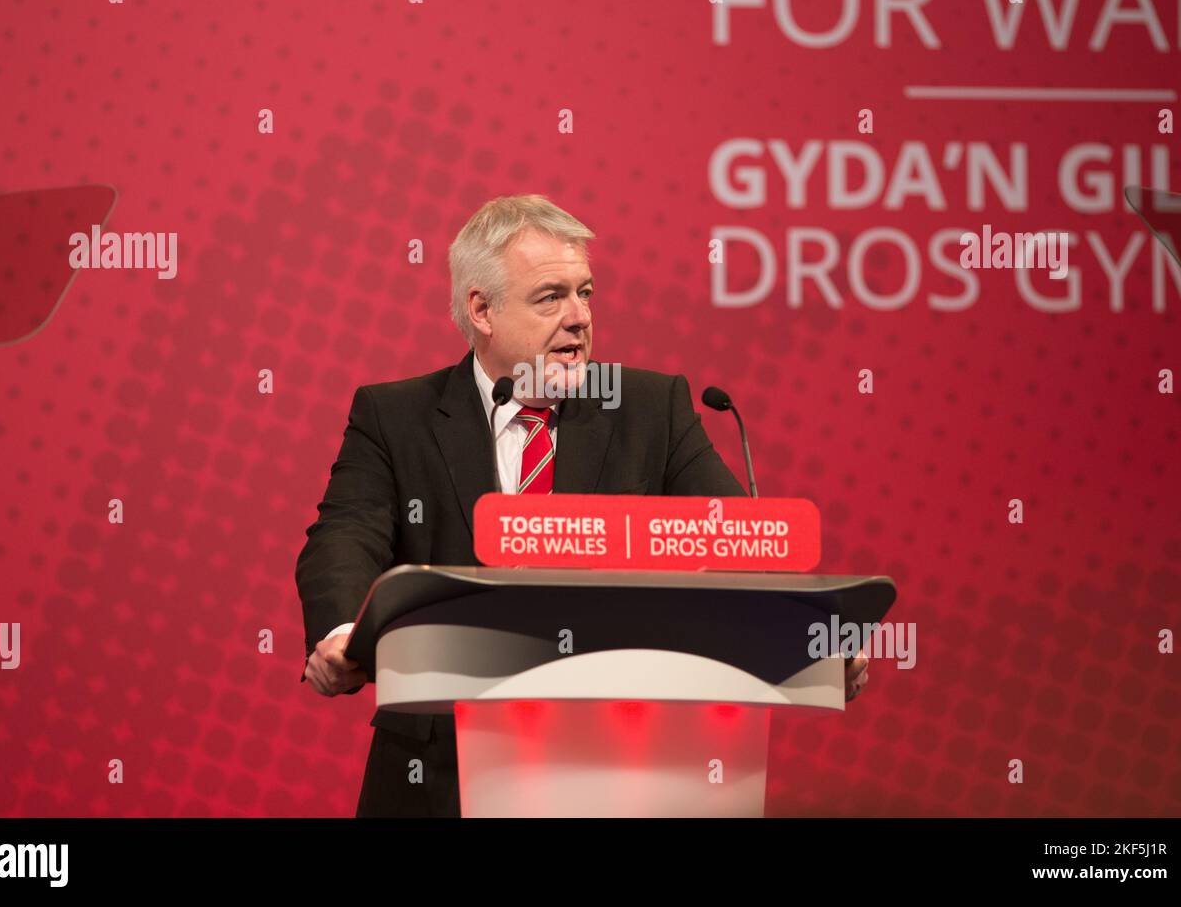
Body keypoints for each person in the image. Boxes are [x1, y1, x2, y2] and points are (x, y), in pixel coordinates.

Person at [296, 194, 870, 817]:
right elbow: (346, 532)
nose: (578, 318)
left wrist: (810, 639)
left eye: (586, 293)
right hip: (442, 772)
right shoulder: (397, 416)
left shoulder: (651, 409)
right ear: (481, 311)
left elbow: (734, 543)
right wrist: (342, 635)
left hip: (621, 769)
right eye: (551, 297)